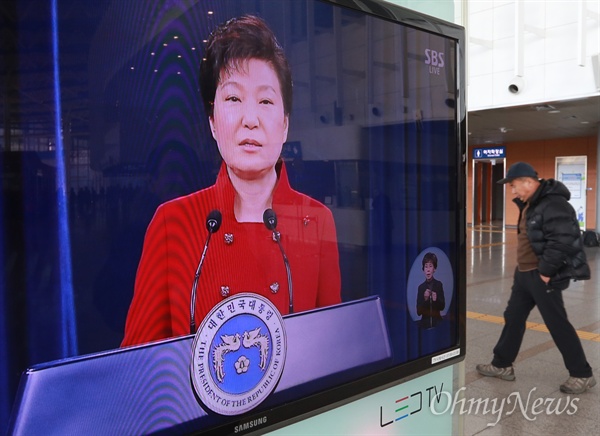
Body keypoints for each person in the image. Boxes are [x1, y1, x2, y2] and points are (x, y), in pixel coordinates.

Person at [121, 15, 341, 347]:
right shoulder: (172, 224)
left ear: (284, 125)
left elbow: (332, 352)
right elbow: (138, 369)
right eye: (233, 99)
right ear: (212, 122)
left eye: (265, 101)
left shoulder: (317, 221)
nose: (250, 120)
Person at [476, 162, 594, 394]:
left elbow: (562, 240)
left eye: (514, 186)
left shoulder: (553, 204)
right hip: (524, 273)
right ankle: (502, 365)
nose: (512, 191)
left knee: (556, 322)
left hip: (541, 274)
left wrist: (546, 272)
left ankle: (582, 373)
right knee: (513, 317)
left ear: (528, 182)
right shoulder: (532, 203)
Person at [416, 252, 445, 328]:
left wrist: (436, 300)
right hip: (425, 324)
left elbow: (442, 306)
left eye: (430, 266)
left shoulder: (439, 285)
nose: (428, 270)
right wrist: (425, 299)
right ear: (423, 270)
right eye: (426, 267)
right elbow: (418, 312)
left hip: (438, 322)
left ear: (434, 269)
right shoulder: (421, 288)